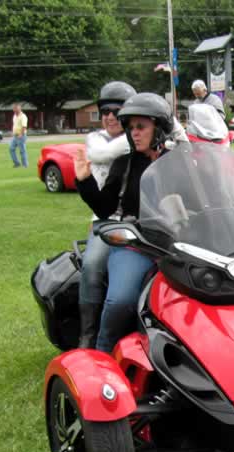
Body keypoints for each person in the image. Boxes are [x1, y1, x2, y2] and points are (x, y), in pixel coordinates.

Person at [73, 92, 173, 353]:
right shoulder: (125, 163)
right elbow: (105, 208)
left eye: (141, 127)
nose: (134, 133)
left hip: (175, 244)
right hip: (135, 242)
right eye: (131, 128)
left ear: (160, 129)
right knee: (120, 300)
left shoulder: (178, 160)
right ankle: (101, 352)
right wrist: (85, 181)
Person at [76, 80, 137, 348]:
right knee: (92, 265)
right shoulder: (97, 140)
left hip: (139, 221)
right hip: (105, 219)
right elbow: (103, 153)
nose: (110, 117)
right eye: (104, 111)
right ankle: (88, 335)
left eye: (116, 110)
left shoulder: (142, 138)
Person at [9, 103, 28, 167]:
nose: (14, 110)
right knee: (11, 149)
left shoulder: (23, 116)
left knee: (22, 151)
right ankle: (17, 163)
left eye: (16, 108)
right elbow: (15, 125)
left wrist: (21, 134)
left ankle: (25, 165)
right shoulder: (14, 116)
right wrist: (13, 132)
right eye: (14, 108)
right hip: (15, 136)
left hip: (21, 136)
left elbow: (24, 126)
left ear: (19, 108)